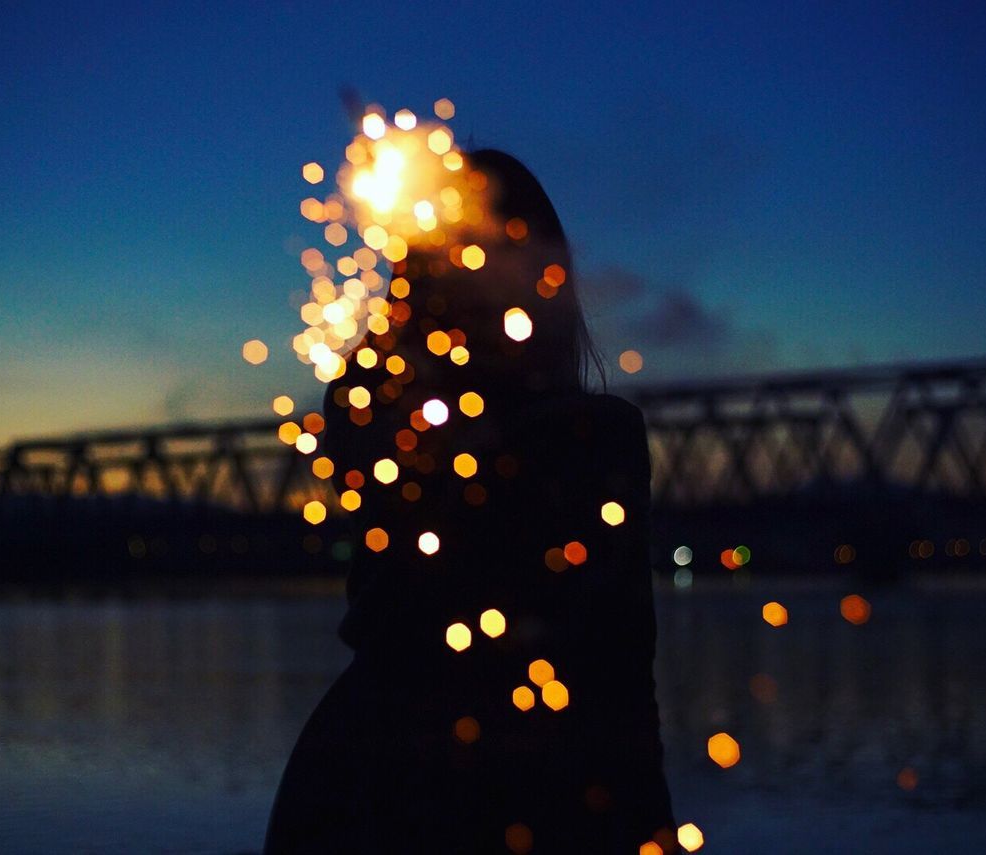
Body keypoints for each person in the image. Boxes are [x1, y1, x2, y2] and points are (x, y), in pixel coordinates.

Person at [263, 149, 677, 854]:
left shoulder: (384, 434)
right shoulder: (596, 440)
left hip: (354, 782)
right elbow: (620, 693)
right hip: (508, 795)